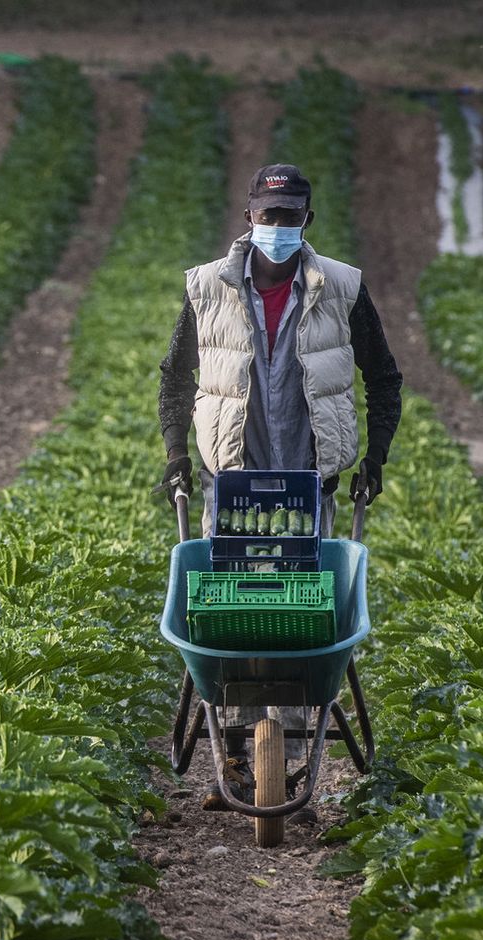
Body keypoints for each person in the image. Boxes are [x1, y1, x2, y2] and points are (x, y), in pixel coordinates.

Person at [156, 163, 403, 820]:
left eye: (290, 217)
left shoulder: (342, 289)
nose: (278, 228)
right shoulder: (207, 289)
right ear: (248, 220)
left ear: (306, 223)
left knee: (301, 614)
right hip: (232, 483)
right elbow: (175, 378)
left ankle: (294, 764)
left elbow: (384, 377)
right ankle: (236, 753)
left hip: (308, 484)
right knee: (232, 612)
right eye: (268, 217)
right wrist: (175, 456)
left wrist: (374, 458)